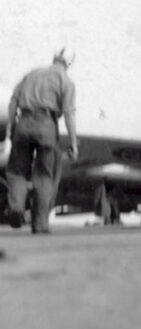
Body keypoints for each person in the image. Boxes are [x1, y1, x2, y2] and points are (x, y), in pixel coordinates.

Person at [5, 49, 78, 233]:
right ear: (68, 64)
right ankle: (40, 224)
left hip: (24, 122)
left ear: (54, 58)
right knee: (44, 175)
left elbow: (13, 102)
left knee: (17, 170)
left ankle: (15, 207)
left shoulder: (32, 74)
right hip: (47, 125)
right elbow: (69, 114)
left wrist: (9, 130)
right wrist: (73, 143)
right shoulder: (66, 82)